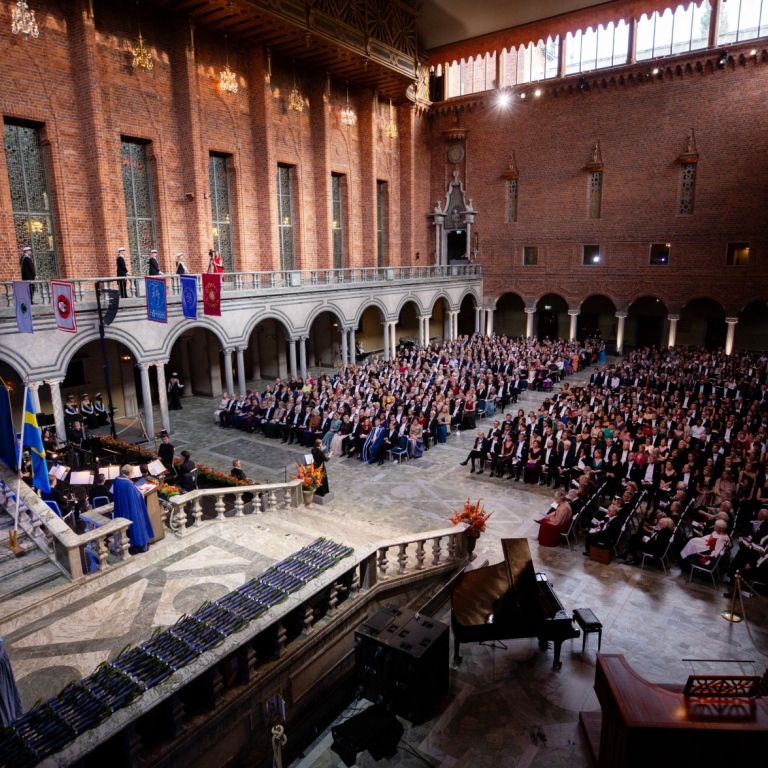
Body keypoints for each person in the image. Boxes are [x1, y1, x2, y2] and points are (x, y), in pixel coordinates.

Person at [112, 465, 154, 554]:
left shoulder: (117, 479)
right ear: (130, 473)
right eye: (133, 472)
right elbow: (137, 497)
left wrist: (135, 489)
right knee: (137, 522)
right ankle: (139, 544)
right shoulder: (128, 483)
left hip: (122, 506)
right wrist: (143, 490)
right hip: (130, 508)